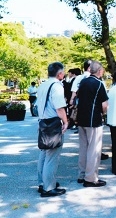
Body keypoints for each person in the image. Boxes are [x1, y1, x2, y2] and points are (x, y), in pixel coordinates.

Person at [36, 62, 69, 197]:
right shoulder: (57, 87)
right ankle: (49, 188)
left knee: (44, 154)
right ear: (60, 74)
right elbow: (60, 108)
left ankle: (42, 183)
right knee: (52, 156)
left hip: (43, 122)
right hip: (53, 124)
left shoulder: (42, 85)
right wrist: (66, 122)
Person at [76, 60, 109, 187]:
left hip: (81, 118)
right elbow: (104, 104)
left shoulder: (82, 81)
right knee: (94, 149)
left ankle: (82, 174)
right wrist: (103, 113)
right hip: (93, 119)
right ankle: (90, 178)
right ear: (100, 71)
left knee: (83, 147)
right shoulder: (99, 84)